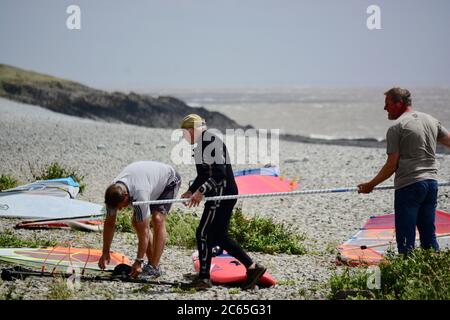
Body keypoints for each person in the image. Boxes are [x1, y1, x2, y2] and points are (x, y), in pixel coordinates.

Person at [179, 114, 266, 290]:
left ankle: (204, 279)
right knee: (219, 236)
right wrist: (191, 191)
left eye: (184, 133)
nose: (183, 136)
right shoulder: (200, 146)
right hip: (222, 192)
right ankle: (253, 267)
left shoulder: (210, 142)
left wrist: (201, 192)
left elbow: (219, 174)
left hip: (222, 193)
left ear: (190, 130)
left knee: (203, 233)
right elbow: (204, 174)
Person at [358, 87, 450, 255]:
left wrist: (370, 185)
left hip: (409, 186)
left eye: (387, 104)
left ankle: (407, 273)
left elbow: (391, 165)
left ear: (399, 103)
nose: (385, 108)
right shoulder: (430, 120)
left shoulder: (397, 127)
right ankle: (431, 273)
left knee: (406, 236)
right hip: (431, 184)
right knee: (428, 234)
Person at [98, 161, 181, 278]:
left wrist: (138, 261)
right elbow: (110, 223)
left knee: (157, 219)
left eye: (121, 206)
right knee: (136, 222)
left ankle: (153, 267)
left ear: (126, 196)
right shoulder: (112, 193)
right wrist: (105, 252)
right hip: (148, 183)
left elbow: (145, 232)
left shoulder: (139, 194)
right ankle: (152, 266)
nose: (120, 209)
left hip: (169, 181)